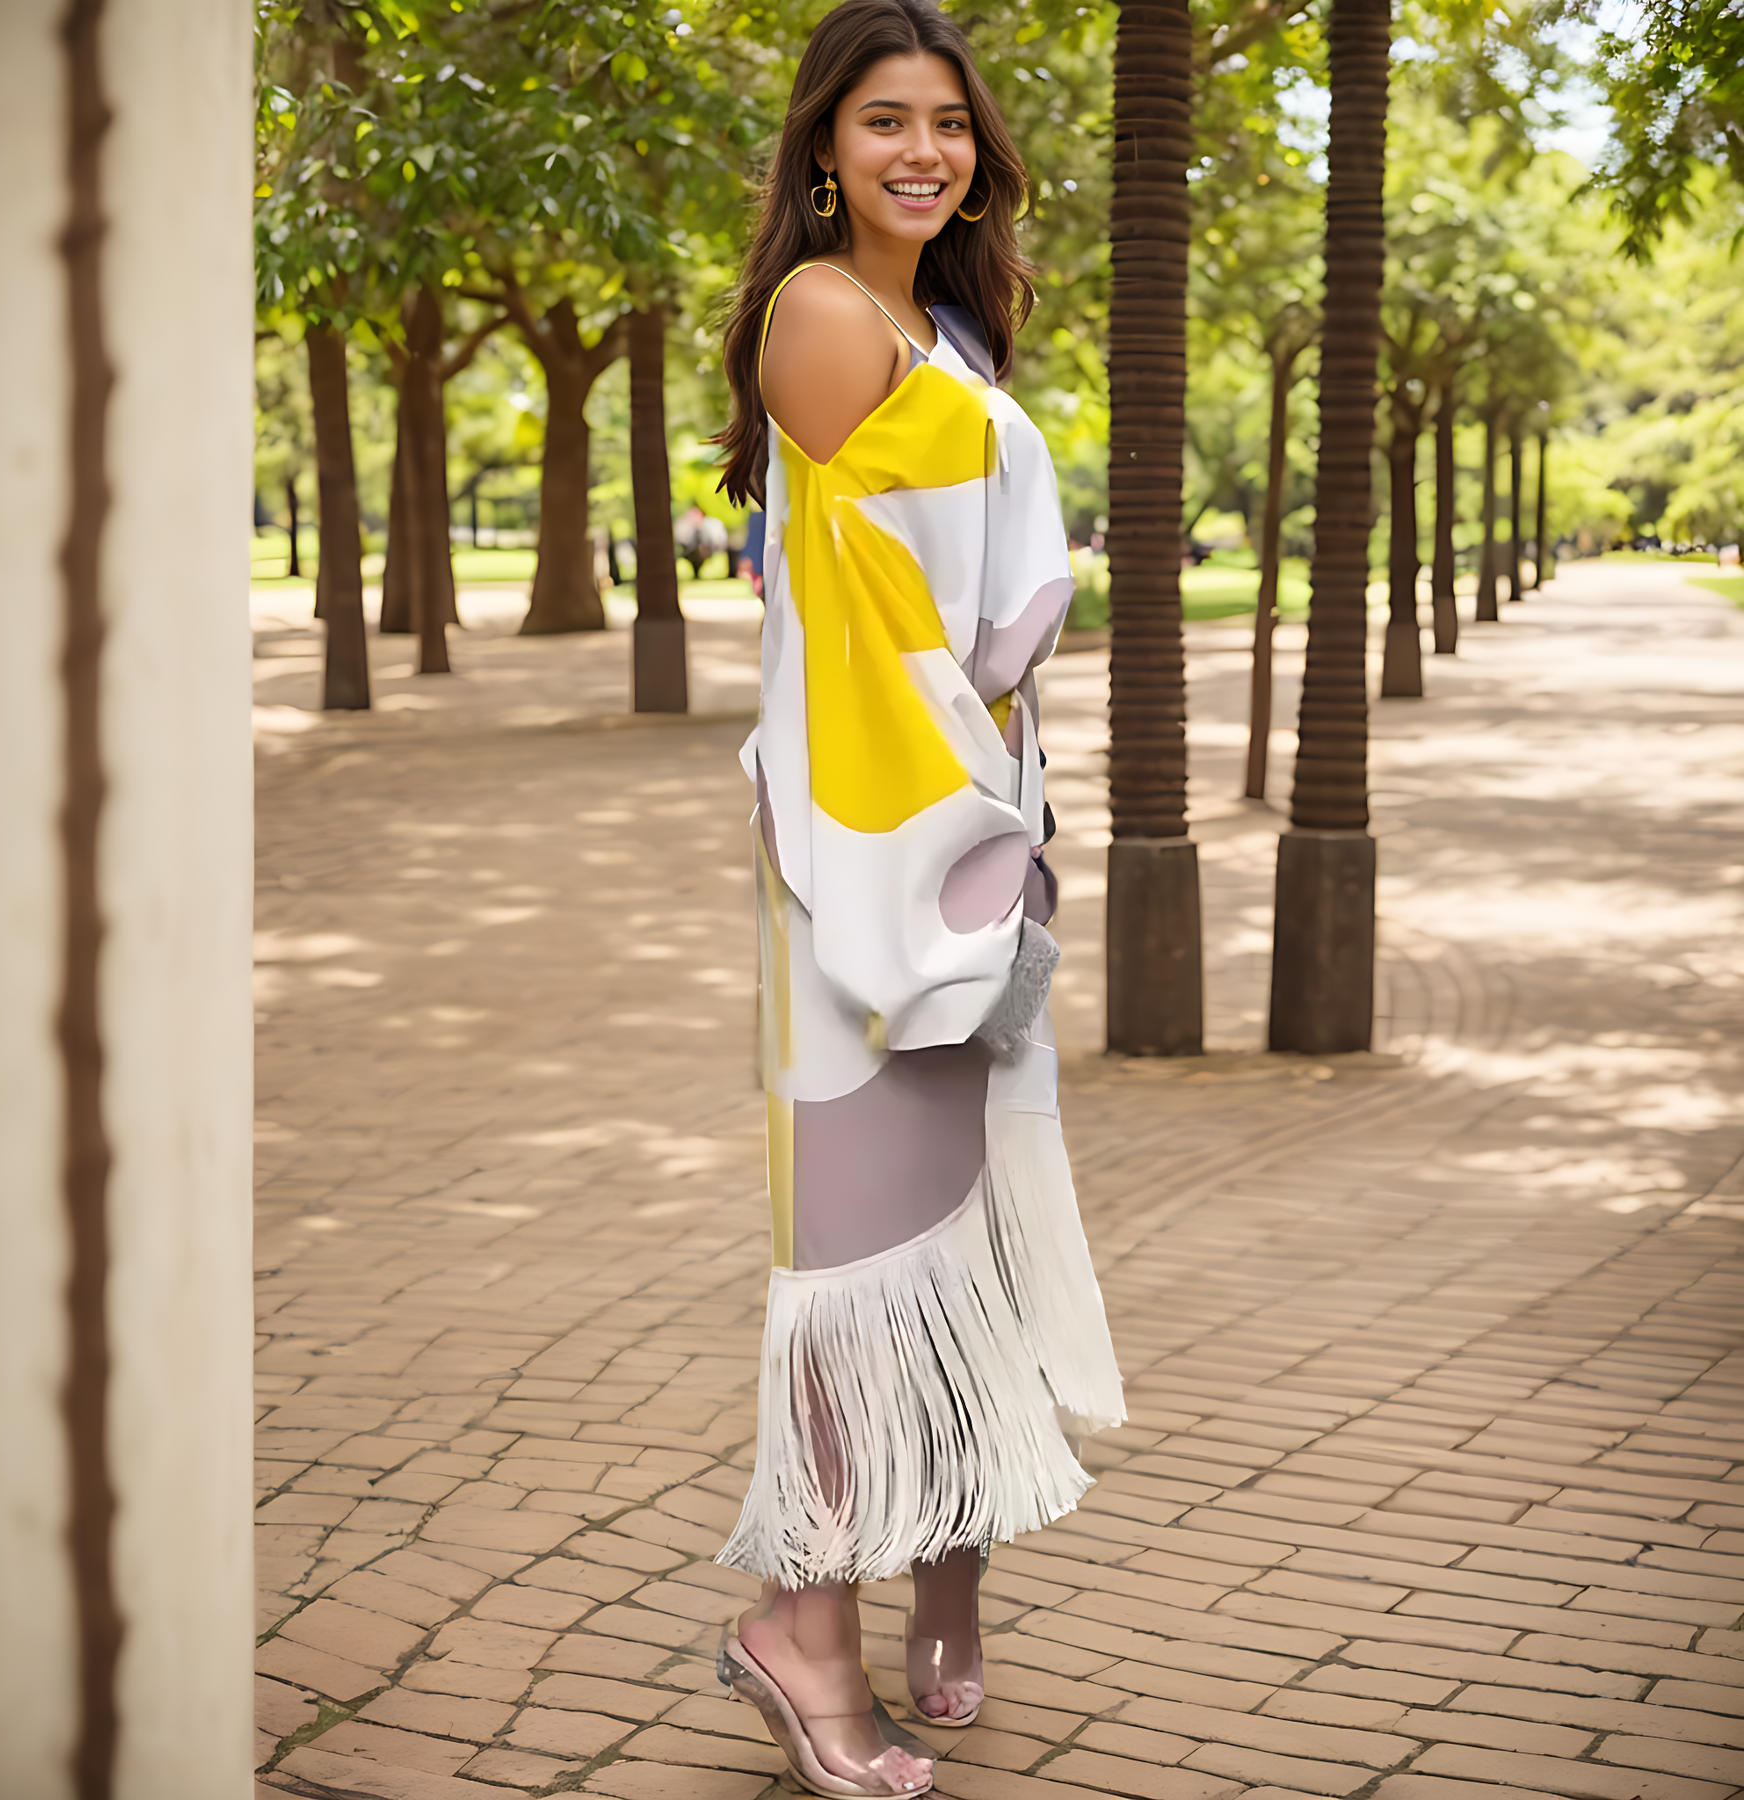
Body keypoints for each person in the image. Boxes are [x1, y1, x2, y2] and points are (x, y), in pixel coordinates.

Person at [710, 2, 1125, 1793]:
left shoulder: (949, 322)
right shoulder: (825, 312)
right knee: (860, 1251)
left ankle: (946, 1559)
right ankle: (802, 1629)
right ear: (826, 144)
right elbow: (868, 625)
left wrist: (1011, 828)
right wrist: (965, 829)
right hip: (875, 851)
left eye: (949, 122)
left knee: (961, 1225)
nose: (923, 151)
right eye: (885, 119)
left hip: (974, 829)